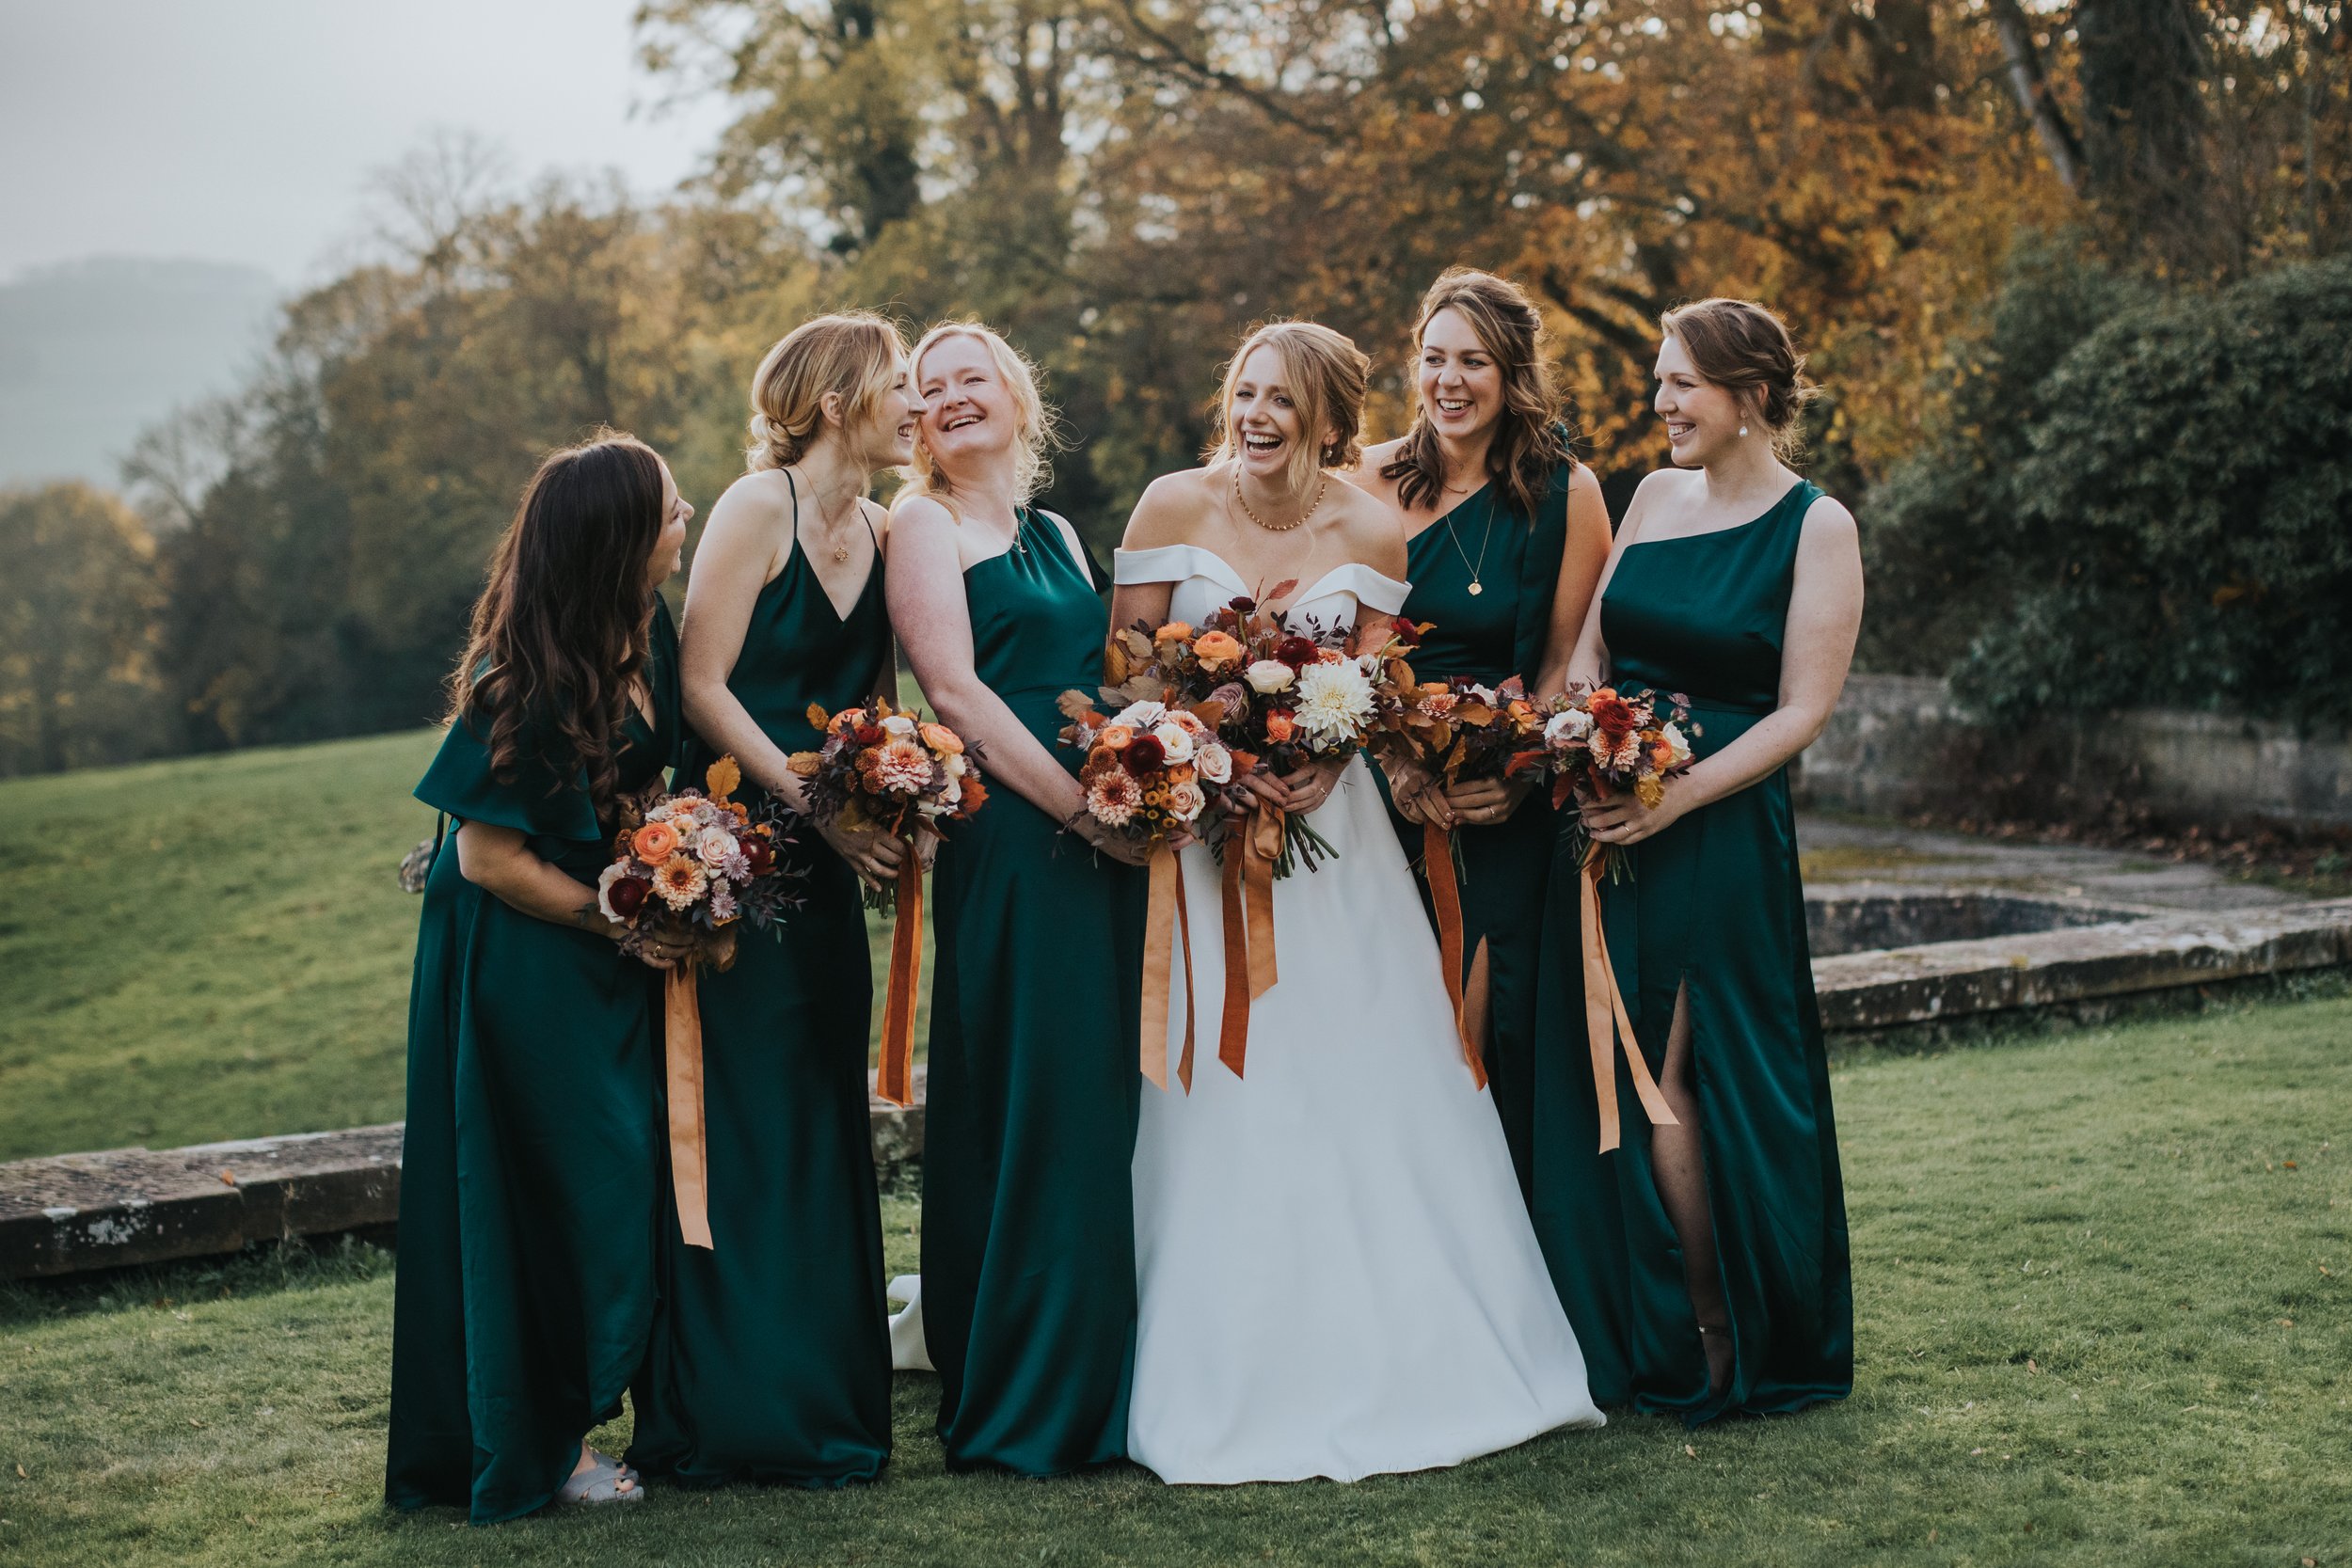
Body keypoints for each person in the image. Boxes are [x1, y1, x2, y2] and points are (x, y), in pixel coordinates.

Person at [1111, 320, 1603, 1485]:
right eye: (1244, 392)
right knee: (1221, 1094)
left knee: (1365, 1076)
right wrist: (1196, 748)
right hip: (1202, 837)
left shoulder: (1371, 523)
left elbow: (1379, 685)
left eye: (1284, 399)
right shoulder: (1167, 507)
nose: (1257, 415)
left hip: (1338, 845)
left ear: (1331, 418)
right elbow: (1125, 673)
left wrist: (1330, 758)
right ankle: (1210, 1346)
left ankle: (1415, 1346)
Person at [1540, 296, 1863, 1422]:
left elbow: (1799, 712)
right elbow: (1594, 644)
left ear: (1751, 396)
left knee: (1679, 1074)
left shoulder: (1816, 525)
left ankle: (1726, 1331)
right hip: (1613, 811)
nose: (1660, 402)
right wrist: (1576, 734)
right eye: (1659, 380)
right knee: (1613, 1073)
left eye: (1681, 383)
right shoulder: (1649, 496)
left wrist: (1674, 797)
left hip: (1716, 824)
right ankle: (1648, 1328)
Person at [626, 313, 921, 1487]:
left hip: (837, 873)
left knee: (820, 1122)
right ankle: (736, 1409)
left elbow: (884, 703)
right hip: (740, 869)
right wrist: (816, 813)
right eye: (897, 386)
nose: (913, 406)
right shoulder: (759, 508)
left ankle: (829, 1403)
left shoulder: (892, 529)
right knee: (742, 1125)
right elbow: (698, 687)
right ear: (840, 396)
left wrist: (901, 811)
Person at [386, 434, 692, 1522]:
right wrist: (621, 914)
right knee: (550, 1185)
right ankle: (540, 1446)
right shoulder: (513, 675)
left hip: (595, 953)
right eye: (668, 507)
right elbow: (488, 857)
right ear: (614, 536)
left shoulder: (642, 633)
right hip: (518, 963)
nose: (686, 514)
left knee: (611, 1178)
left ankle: (603, 1409)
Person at [884, 322, 1152, 1475]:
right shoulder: (921, 523)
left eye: (969, 380)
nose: (949, 399)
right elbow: (955, 690)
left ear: (1016, 396)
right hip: (1017, 832)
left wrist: (1150, 775)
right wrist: (1081, 810)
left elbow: (1101, 680)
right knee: (1033, 1085)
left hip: (1104, 829)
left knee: (1097, 1092)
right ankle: (1027, 1382)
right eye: (928, 388)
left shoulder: (1055, 528)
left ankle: (1107, 1358)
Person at [1346, 266, 1612, 1205]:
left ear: (1512, 375)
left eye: (1475, 361)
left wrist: (1519, 767)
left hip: (1508, 809)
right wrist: (1393, 763)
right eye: (1433, 358)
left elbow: (1563, 668)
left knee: (1497, 1029)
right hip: (1377, 807)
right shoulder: (1364, 479)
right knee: (1383, 1026)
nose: (1449, 380)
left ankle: (1511, 1250)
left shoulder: (1566, 493)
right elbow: (1332, 655)